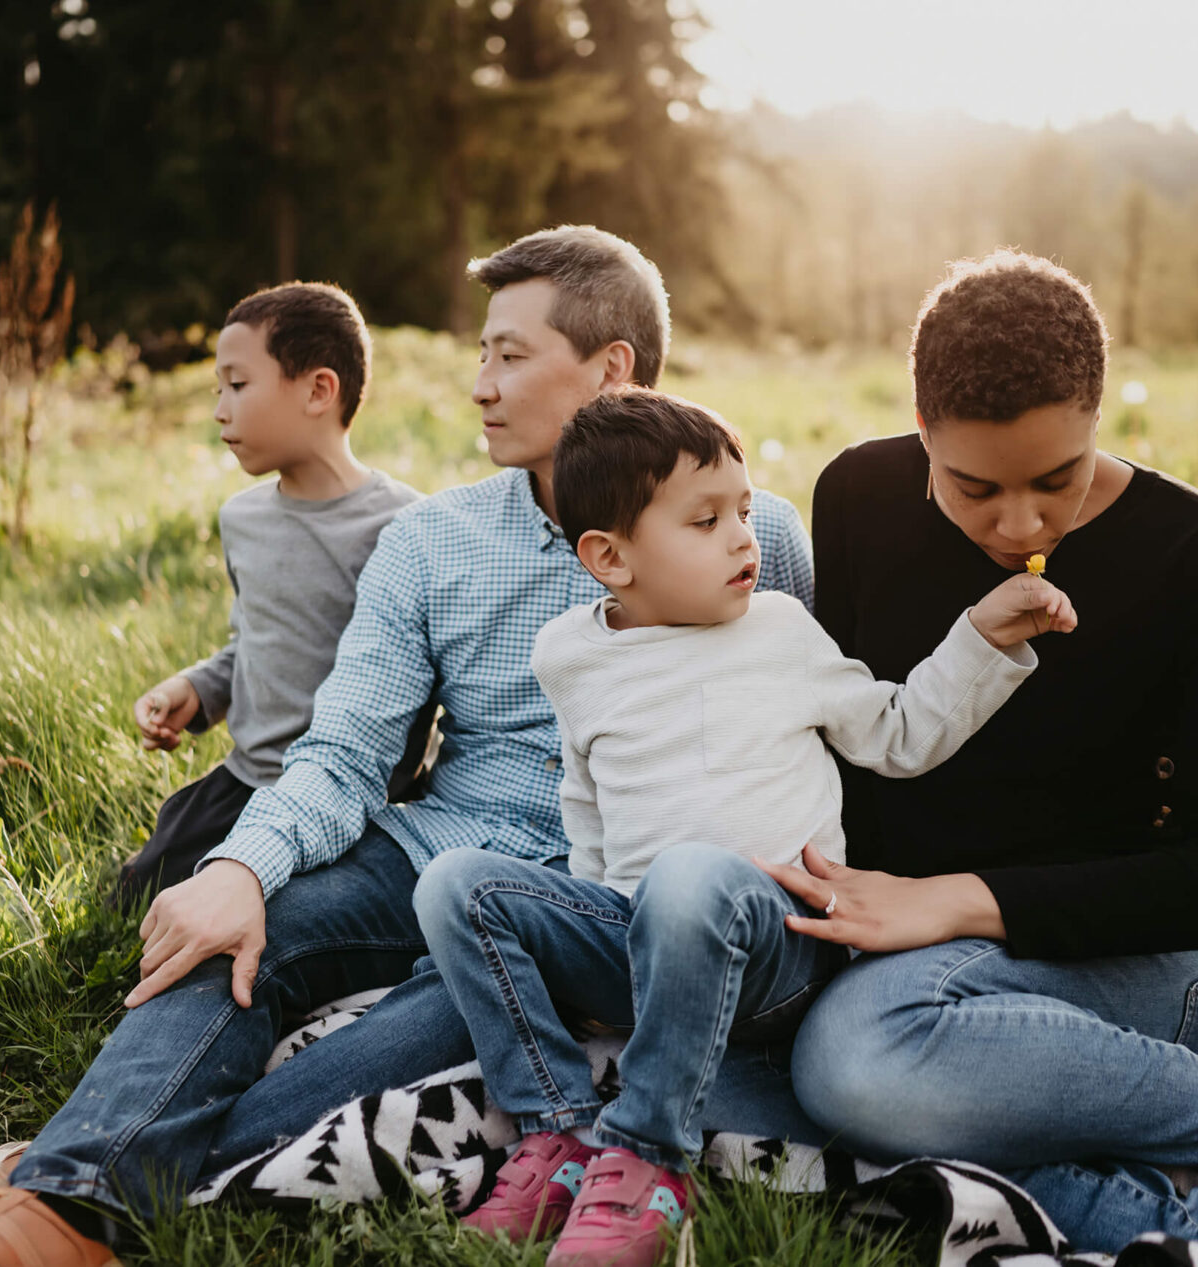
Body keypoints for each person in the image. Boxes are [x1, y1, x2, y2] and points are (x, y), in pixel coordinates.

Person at [0, 226, 815, 1267]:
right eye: (480, 354)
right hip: (438, 851)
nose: (479, 385)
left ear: (611, 369)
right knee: (232, 936)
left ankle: (48, 1188)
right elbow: (343, 749)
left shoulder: (755, 533)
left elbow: (816, 722)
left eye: (509, 355)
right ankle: (54, 1214)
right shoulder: (432, 542)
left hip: (613, 897)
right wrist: (240, 867)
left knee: (408, 1037)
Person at [772, 250, 1198, 1267]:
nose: (1020, 525)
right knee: (730, 1059)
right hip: (903, 944)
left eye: (1055, 479)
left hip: (1148, 947)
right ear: (921, 428)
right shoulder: (857, 493)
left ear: (1096, 416)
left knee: (851, 1063)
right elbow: (856, 742)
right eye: (974, 485)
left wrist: (958, 900)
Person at [414, 387, 1071, 1267]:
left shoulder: (780, 631)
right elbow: (587, 803)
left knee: (691, 876)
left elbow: (900, 732)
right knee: (454, 881)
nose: (743, 539)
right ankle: (561, 1133)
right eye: (706, 520)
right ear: (609, 557)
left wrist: (982, 638)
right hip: (640, 937)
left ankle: (646, 1156)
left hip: (780, 945)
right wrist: (587, 910)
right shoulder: (569, 653)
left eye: (745, 512)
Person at [110, 282, 422, 906]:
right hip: (246, 782)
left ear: (318, 390)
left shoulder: (406, 527)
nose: (220, 409)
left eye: (238, 384)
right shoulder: (242, 520)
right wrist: (196, 691)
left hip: (357, 797)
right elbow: (256, 640)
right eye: (216, 389)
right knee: (136, 897)